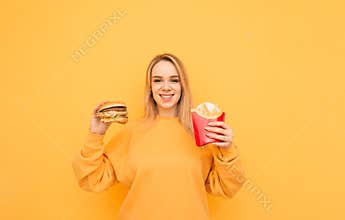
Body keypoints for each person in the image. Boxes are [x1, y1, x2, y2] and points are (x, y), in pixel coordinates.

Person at [72, 53, 246, 220]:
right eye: (157, 80)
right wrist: (96, 134)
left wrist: (227, 148)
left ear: (183, 86)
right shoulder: (131, 132)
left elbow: (227, 187)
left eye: (174, 80)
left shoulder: (202, 132)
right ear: (150, 88)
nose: (166, 87)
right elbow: (92, 180)